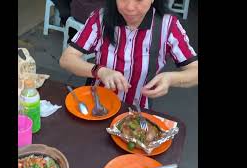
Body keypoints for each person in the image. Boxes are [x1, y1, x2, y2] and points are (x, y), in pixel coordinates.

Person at [59, 0, 198, 109]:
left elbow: (195, 71)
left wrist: (170, 79)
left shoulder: (168, 25)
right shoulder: (100, 18)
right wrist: (100, 71)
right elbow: (67, 59)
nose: (130, 7)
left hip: (137, 109)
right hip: (97, 103)